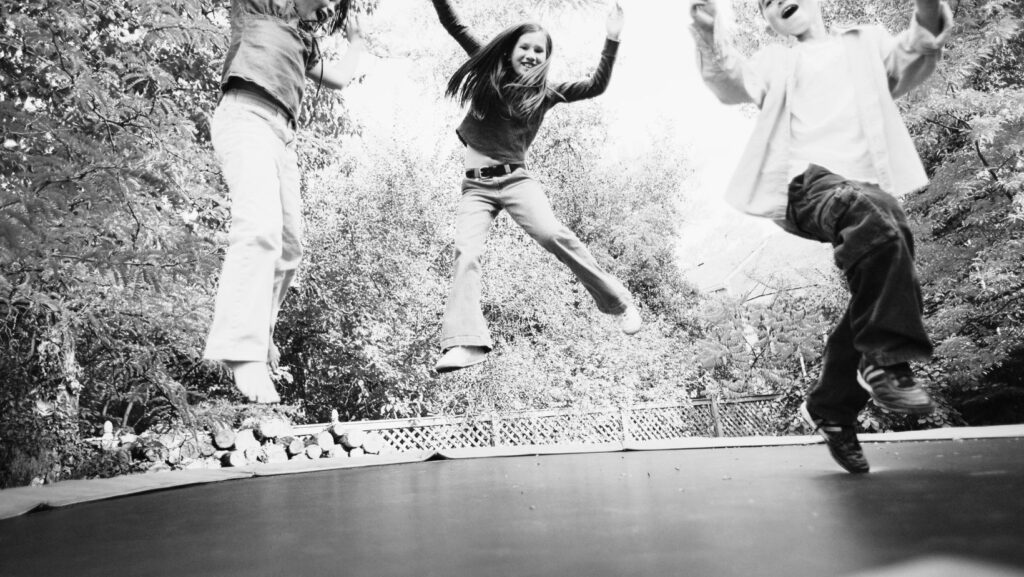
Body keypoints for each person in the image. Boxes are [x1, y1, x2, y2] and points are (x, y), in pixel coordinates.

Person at [689, 0, 953, 472]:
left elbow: (917, 49)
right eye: (766, 3)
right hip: (805, 185)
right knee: (876, 217)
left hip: (867, 191)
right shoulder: (776, 62)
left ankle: (832, 406)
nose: (777, 2)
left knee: (881, 275)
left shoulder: (867, 44)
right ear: (769, 21)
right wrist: (708, 31)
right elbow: (731, 81)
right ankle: (886, 363)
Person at [429, 0, 642, 374]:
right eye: (524, 47)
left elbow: (596, 85)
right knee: (466, 253)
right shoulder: (487, 68)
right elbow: (454, 24)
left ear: (546, 58)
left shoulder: (548, 92)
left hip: (516, 181)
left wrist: (611, 39)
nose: (530, 54)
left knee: (552, 234)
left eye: (538, 51)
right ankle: (467, 341)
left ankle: (618, 302)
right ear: (510, 50)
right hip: (475, 188)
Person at [204, 0, 365, 403]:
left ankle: (258, 335)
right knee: (258, 229)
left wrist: (358, 41)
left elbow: (341, 77)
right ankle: (242, 350)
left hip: (283, 136)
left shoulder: (305, 41)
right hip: (245, 117)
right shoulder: (255, 9)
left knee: (290, 248)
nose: (330, 8)